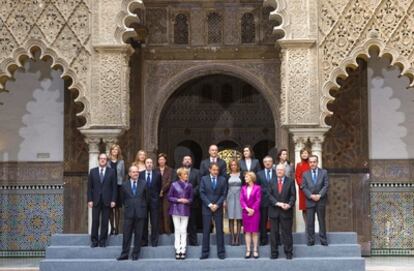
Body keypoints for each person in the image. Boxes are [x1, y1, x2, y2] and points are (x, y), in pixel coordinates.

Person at [117, 166, 148, 261]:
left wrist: (142, 207)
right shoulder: (124, 185)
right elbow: (122, 199)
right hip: (129, 213)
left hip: (140, 213)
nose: (135, 173)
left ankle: (135, 254)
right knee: (126, 235)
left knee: (138, 235)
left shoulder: (144, 183)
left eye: (137, 172)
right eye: (133, 172)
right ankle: (124, 254)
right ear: (129, 173)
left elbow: (147, 198)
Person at [266, 164, 296, 260]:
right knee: (274, 233)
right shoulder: (271, 181)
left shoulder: (290, 181)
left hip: (286, 211)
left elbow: (293, 196)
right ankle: (274, 253)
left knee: (286, 233)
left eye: (281, 170)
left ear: (284, 171)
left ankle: (288, 252)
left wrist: (289, 204)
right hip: (274, 211)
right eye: (278, 170)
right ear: (275, 171)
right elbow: (269, 195)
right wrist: (277, 203)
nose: (279, 171)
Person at [87, 153, 117, 248]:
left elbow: (114, 187)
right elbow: (89, 188)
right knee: (95, 221)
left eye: (104, 159)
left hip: (107, 200)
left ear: (107, 160)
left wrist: (113, 200)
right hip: (95, 200)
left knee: (105, 222)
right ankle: (94, 241)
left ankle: (103, 241)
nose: (103, 160)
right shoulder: (92, 171)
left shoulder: (111, 172)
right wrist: (90, 200)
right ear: (98, 160)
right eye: (101, 158)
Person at [199, 163, 228, 260]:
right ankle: (205, 253)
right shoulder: (204, 179)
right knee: (206, 231)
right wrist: (210, 204)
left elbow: (224, 194)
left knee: (219, 231)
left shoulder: (223, 180)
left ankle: (221, 253)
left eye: (217, 170)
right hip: (207, 208)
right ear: (210, 170)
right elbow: (201, 193)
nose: (216, 172)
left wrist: (217, 204)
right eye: (214, 170)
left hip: (218, 208)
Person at [302, 155, 329, 246]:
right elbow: (303, 187)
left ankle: (323, 240)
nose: (312, 164)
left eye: (314, 162)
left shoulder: (324, 172)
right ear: (309, 163)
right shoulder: (305, 174)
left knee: (321, 220)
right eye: (311, 162)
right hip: (310, 201)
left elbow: (326, 185)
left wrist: (320, 195)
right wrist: (310, 195)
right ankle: (311, 240)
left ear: (317, 162)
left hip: (321, 200)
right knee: (310, 222)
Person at [168, 167, 194, 260]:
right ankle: (177, 250)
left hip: (185, 209)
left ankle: (183, 250)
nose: (186, 175)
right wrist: (178, 200)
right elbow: (169, 197)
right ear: (179, 176)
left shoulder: (190, 185)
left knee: (183, 230)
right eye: (185, 174)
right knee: (177, 229)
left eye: (187, 174)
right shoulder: (174, 185)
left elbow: (191, 199)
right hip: (175, 209)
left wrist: (187, 201)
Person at [139, 158, 162, 247]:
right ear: (145, 164)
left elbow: (159, 187)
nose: (149, 164)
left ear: (153, 164)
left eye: (150, 163)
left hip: (154, 201)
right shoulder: (140, 174)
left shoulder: (157, 174)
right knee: (144, 222)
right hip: (143, 201)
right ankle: (144, 241)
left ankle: (154, 241)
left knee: (154, 222)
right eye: (147, 162)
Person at [240, 171, 261, 259]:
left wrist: (252, 209)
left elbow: (258, 199)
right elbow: (241, 200)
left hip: (255, 212)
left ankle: (255, 250)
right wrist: (246, 208)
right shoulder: (243, 188)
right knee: (247, 232)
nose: (245, 178)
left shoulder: (258, 188)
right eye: (245, 177)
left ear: (252, 178)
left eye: (247, 177)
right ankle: (248, 250)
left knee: (255, 232)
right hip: (246, 212)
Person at [180, 155, 201, 246]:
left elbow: (199, 185)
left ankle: (193, 242)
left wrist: (190, 193)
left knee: (192, 223)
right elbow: (175, 184)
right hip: (180, 202)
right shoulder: (178, 172)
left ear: (191, 162)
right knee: (181, 224)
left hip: (193, 201)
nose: (187, 161)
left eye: (189, 159)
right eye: (185, 159)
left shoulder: (197, 172)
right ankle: (181, 243)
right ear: (182, 161)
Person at [256, 156, 276, 246]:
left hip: (274, 201)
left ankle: (275, 240)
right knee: (263, 221)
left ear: (272, 163)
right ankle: (263, 240)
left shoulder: (276, 173)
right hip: (263, 201)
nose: (268, 163)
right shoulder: (259, 174)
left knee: (274, 221)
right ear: (263, 163)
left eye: (269, 161)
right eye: (266, 162)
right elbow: (257, 187)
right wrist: (267, 191)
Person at [107, 144, 125, 235]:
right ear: (111, 151)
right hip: (109, 186)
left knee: (117, 208)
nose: (115, 151)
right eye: (113, 150)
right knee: (110, 207)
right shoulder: (107, 162)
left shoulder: (121, 162)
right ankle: (112, 228)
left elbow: (123, 174)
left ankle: (117, 228)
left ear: (118, 152)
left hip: (118, 186)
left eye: (116, 150)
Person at [226, 159, 243, 246]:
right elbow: (225, 188)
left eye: (235, 165)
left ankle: (238, 237)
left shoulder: (241, 175)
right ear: (230, 166)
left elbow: (244, 186)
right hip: (230, 197)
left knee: (239, 217)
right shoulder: (227, 175)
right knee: (231, 217)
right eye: (232, 165)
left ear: (237, 166)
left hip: (240, 196)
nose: (233, 166)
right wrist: (224, 200)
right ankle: (232, 237)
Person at [157, 153, 173, 234]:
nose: (161, 161)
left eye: (163, 159)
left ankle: (167, 230)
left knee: (166, 211)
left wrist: (162, 190)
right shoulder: (155, 170)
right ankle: (160, 230)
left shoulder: (169, 170)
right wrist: (158, 191)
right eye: (160, 159)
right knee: (158, 211)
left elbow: (169, 182)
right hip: (157, 194)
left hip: (167, 193)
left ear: (165, 160)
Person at [295, 148, 311, 224]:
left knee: (311, 207)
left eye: (306, 153)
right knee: (304, 208)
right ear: (300, 155)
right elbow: (297, 176)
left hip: (311, 189)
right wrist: (302, 185)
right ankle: (307, 226)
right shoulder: (299, 165)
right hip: (303, 190)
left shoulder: (311, 164)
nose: (304, 154)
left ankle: (311, 226)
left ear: (308, 154)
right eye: (303, 153)